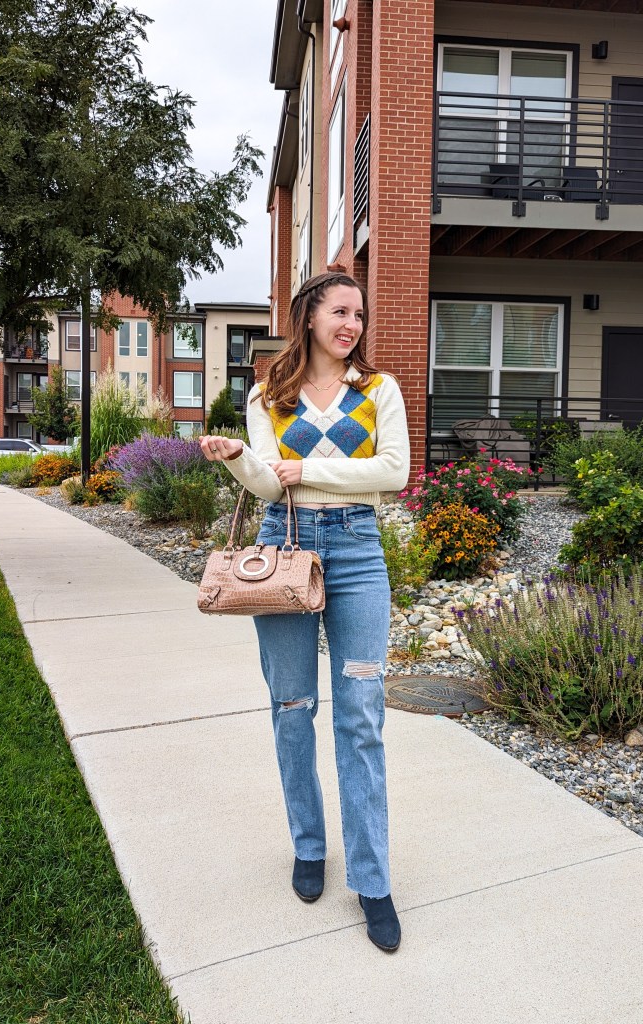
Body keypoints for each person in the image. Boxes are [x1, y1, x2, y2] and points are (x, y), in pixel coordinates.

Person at [199, 271, 410, 952]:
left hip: (356, 551)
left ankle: (372, 881)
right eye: (340, 311)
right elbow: (268, 483)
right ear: (310, 317)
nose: (352, 324)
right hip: (282, 548)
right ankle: (309, 847)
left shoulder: (377, 389)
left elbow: (394, 472)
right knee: (292, 708)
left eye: (359, 314)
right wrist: (239, 458)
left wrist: (306, 470)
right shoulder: (268, 395)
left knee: (360, 713)